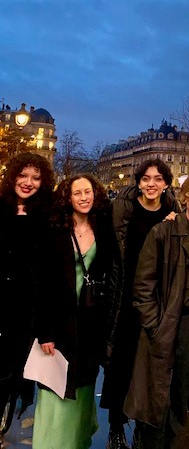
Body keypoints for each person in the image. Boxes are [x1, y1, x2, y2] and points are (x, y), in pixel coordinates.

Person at [124, 173, 189, 449]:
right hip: (165, 321)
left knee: (181, 390)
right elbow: (143, 284)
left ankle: (173, 442)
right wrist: (154, 324)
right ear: (184, 196)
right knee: (156, 396)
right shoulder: (162, 231)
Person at [101, 159, 179, 449]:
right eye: (146, 178)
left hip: (155, 298)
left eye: (158, 179)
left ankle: (144, 427)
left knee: (148, 365)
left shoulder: (173, 212)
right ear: (138, 181)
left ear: (166, 184)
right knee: (119, 363)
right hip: (123, 295)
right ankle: (116, 427)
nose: (151, 184)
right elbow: (110, 249)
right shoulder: (124, 209)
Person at [33, 174, 114, 449]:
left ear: (96, 194)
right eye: (77, 193)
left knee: (83, 388)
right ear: (68, 197)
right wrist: (45, 331)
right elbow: (41, 283)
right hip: (59, 323)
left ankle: (77, 442)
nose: (83, 197)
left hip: (91, 324)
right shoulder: (54, 230)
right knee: (56, 388)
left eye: (88, 192)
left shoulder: (103, 228)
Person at [0, 153, 54, 439]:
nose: (28, 182)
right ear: (13, 176)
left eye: (35, 177)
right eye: (23, 175)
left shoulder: (47, 216)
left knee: (15, 374)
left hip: (26, 309)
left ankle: (3, 422)